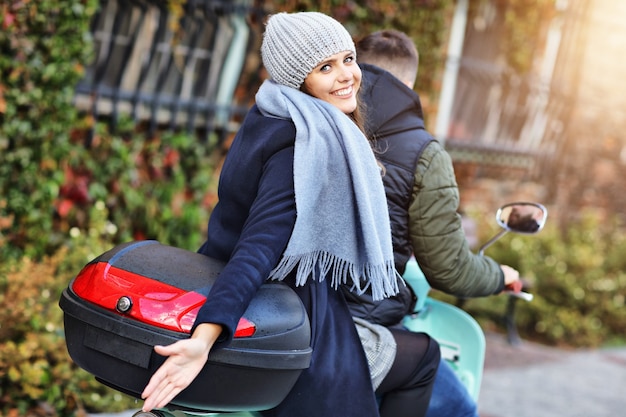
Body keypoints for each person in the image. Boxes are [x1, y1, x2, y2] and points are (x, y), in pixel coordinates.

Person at [140, 13, 440, 417]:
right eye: (325, 67)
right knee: (424, 357)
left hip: (242, 283)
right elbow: (259, 246)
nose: (346, 75)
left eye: (348, 59)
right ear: (298, 78)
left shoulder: (270, 112)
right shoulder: (303, 146)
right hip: (293, 311)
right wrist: (204, 339)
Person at [344, 29, 523, 417]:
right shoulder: (422, 152)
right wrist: (499, 274)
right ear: (408, 82)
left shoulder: (312, 122)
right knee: (458, 405)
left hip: (292, 311)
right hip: (359, 329)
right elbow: (449, 268)